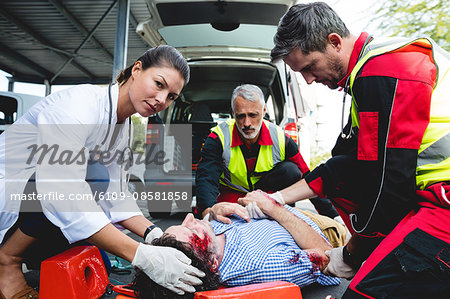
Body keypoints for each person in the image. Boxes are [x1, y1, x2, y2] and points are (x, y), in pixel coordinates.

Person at [240, 2, 450, 298]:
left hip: (443, 204)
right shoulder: (371, 73)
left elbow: (389, 186)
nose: (309, 80)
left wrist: (351, 255)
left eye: (310, 67)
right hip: (431, 199)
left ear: (334, 42)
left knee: (361, 293)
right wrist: (274, 199)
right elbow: (343, 166)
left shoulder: (384, 72)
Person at [0, 45, 205, 299]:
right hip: (13, 193)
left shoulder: (123, 125)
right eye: (159, 84)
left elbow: (115, 194)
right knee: (82, 184)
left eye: (172, 96)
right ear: (137, 69)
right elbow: (61, 190)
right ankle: (8, 259)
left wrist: (154, 236)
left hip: (39, 208)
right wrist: (140, 255)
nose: (162, 100)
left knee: (102, 265)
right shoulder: (78, 105)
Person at [133, 198, 343, 298]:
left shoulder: (209, 245)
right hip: (319, 228)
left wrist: (212, 213)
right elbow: (325, 255)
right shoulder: (261, 265)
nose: (189, 217)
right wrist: (273, 208)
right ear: (213, 263)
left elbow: (205, 223)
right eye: (192, 229)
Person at [195, 84, 340, 221]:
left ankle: (280, 211)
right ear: (233, 113)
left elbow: (306, 177)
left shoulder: (280, 137)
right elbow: (206, 178)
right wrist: (208, 215)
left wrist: (333, 216)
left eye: (253, 115)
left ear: (264, 111)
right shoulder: (218, 137)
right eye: (241, 116)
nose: (247, 123)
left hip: (265, 198)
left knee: (292, 171)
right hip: (231, 200)